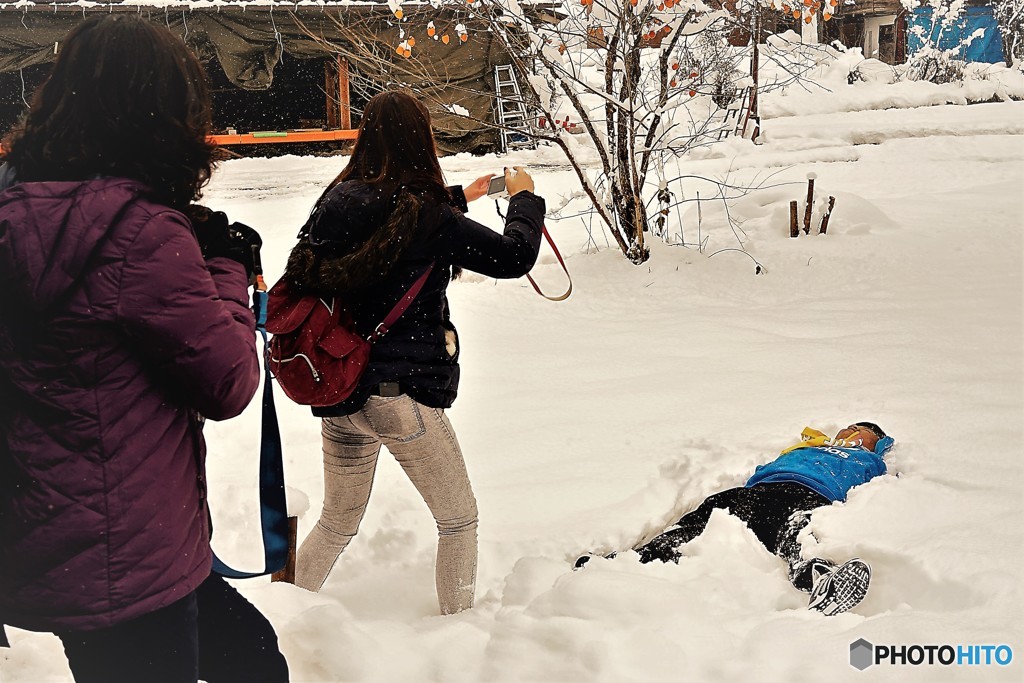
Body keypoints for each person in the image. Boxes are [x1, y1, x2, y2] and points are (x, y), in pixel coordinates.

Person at [0, 15, 288, 682]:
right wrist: (222, 264)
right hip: (130, 560)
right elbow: (227, 382)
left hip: (62, 537)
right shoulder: (140, 234)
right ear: (161, 115)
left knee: (250, 656)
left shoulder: (16, 213)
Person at [291, 90, 546, 615]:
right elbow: (513, 256)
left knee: (337, 521)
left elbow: (387, 226)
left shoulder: (336, 203)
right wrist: (522, 201)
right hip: (397, 397)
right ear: (421, 139)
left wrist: (462, 196)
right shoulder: (427, 218)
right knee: (458, 519)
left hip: (340, 390)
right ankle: (457, 635)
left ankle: (282, 615)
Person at [576, 423, 895, 616]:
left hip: (811, 494)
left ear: (874, 445)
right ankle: (638, 558)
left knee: (799, 527)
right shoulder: (808, 445)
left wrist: (875, 450)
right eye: (849, 428)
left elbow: (880, 488)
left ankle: (817, 575)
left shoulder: (868, 460)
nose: (852, 433)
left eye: (862, 434)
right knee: (711, 509)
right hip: (760, 491)